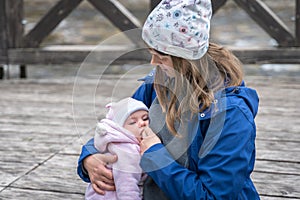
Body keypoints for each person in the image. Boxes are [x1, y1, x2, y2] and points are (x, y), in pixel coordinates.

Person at [77, 0, 260, 199]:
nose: (153, 63)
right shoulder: (156, 82)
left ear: (186, 60)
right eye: (152, 53)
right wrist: (89, 157)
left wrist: (155, 156)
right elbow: (117, 126)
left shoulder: (232, 115)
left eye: (162, 57)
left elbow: (214, 196)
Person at [85, 97, 149, 200]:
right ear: (120, 129)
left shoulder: (116, 143)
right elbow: (126, 186)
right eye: (133, 122)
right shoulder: (127, 150)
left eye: (145, 118)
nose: (142, 123)